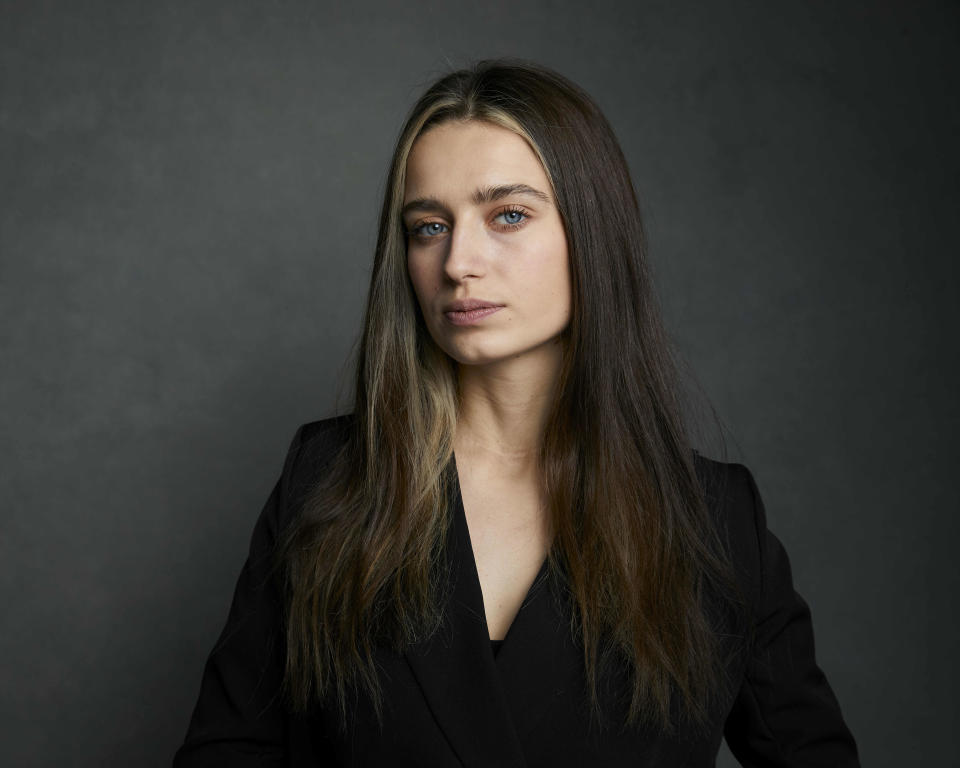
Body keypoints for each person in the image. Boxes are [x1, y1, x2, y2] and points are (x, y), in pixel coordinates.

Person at [173, 59, 860, 767]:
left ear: (593, 232)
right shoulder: (329, 481)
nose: (459, 262)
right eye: (428, 226)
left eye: (508, 215)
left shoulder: (714, 519)